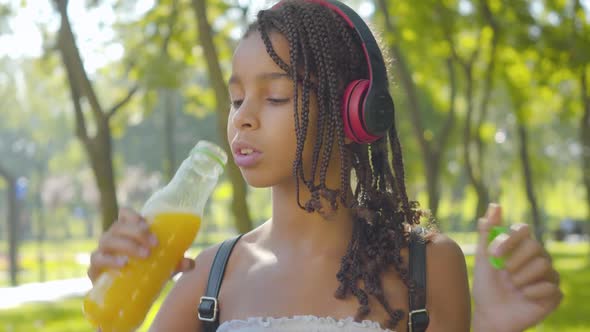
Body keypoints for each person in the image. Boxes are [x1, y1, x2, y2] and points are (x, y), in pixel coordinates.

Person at [87, 1, 562, 331]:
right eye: (235, 98)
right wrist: (119, 301)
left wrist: (496, 328)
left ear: (352, 109)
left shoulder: (428, 267)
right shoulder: (209, 275)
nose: (242, 117)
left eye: (275, 96)